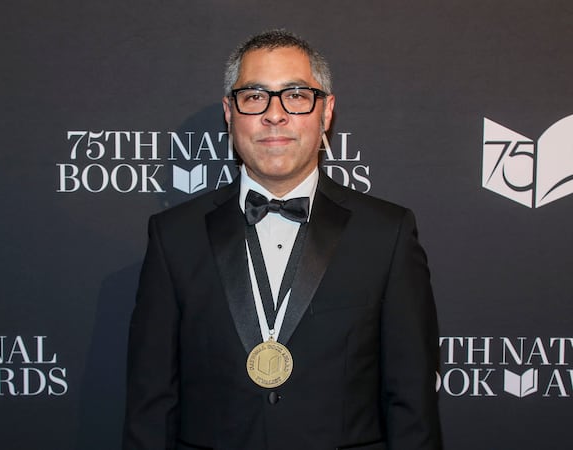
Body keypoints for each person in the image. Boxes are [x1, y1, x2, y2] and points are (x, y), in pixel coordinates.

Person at [123, 29, 442, 450]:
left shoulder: (388, 233)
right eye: (254, 96)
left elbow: (412, 404)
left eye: (295, 95)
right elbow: (151, 403)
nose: (275, 114)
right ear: (229, 112)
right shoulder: (173, 237)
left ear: (325, 112)